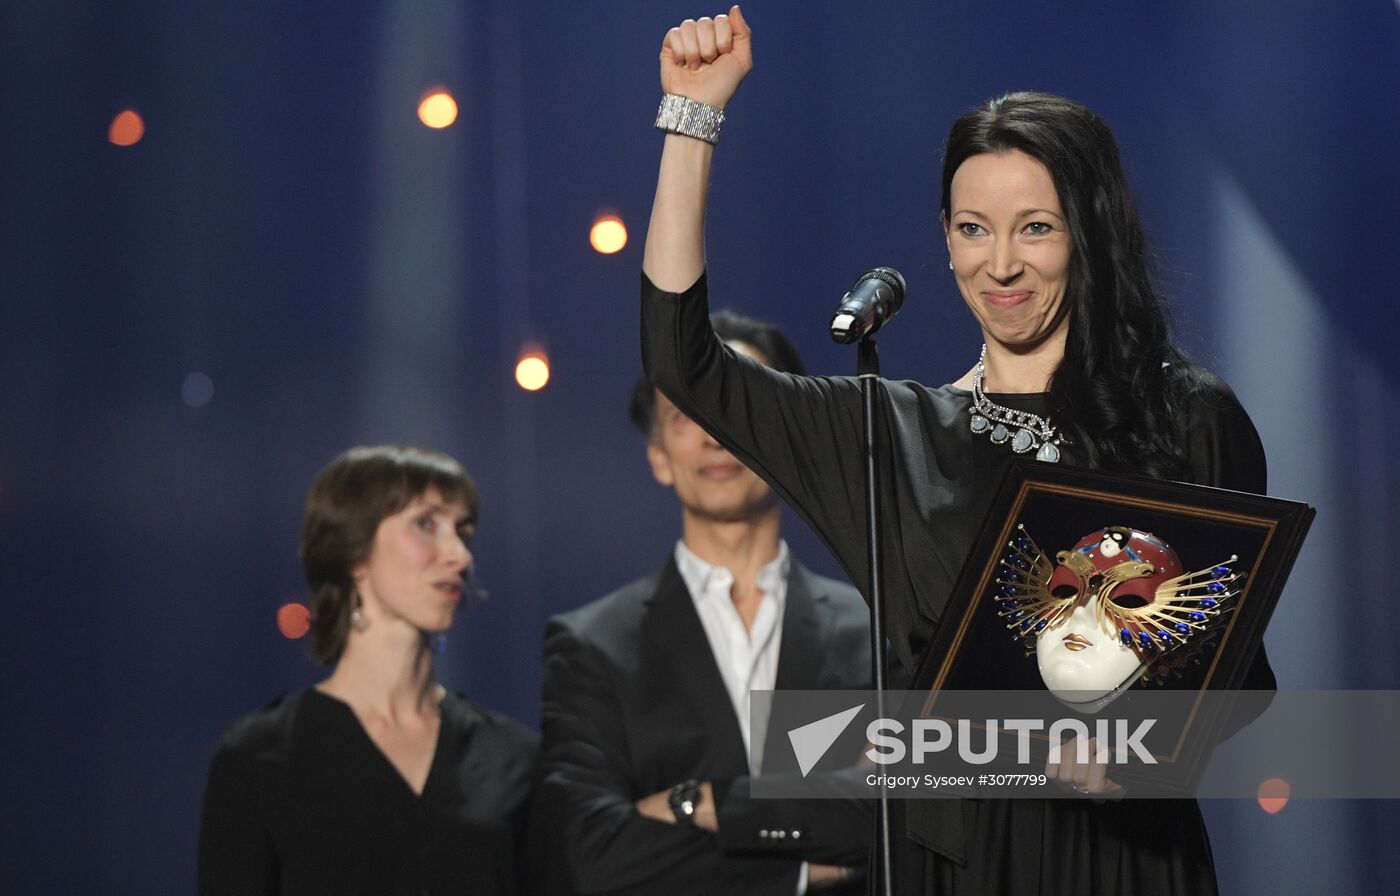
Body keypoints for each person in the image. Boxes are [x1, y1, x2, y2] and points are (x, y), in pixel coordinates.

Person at [637, 7, 1277, 894]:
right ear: (944, 240)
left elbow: (1243, 685)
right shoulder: (886, 434)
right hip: (953, 861)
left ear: (1088, 234)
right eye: (973, 228)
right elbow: (684, 363)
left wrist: (1141, 751)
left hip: (1124, 860)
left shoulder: (1185, 416)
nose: (1001, 265)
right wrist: (692, 118)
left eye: (1036, 228)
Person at [537, 311, 874, 894]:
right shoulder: (594, 644)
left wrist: (696, 803)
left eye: (739, 403)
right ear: (658, 455)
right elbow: (591, 852)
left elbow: (899, 819)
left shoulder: (876, 630)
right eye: (686, 413)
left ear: (792, 436)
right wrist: (796, 871)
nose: (716, 432)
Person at [198, 445, 537, 896]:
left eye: (463, 532)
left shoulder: (511, 757)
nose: (458, 555)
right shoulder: (261, 757)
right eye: (426, 524)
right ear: (354, 550)